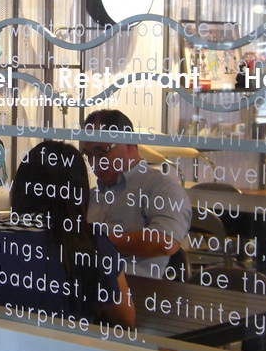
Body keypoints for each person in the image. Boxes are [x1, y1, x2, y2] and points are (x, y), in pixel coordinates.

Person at [0, 141, 134, 328]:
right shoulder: (89, 244)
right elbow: (125, 320)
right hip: (59, 348)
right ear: (78, 194)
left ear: (20, 188)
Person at [81, 109, 191, 278]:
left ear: (129, 143)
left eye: (101, 152)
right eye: (89, 155)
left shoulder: (162, 188)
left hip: (138, 288)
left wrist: (94, 243)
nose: (94, 163)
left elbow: (165, 242)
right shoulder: (92, 195)